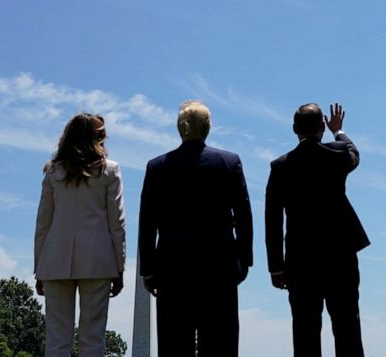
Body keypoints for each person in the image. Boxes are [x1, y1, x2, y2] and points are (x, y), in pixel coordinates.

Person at [139, 100, 253, 357]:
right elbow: (244, 216)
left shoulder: (157, 167)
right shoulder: (229, 162)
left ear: (180, 129)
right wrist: (243, 261)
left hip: (173, 268)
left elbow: (148, 222)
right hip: (219, 267)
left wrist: (148, 269)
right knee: (220, 344)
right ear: (208, 127)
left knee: (174, 344)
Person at [265, 103, 369, 357]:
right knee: (347, 328)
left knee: (305, 332)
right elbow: (354, 153)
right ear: (322, 127)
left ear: (294, 129)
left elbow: (272, 220)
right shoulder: (338, 153)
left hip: (300, 260)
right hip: (340, 256)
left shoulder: (280, 167)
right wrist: (339, 131)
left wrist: (276, 267)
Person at [34, 113, 126, 357]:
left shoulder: (53, 172)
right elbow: (116, 223)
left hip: (54, 261)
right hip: (98, 262)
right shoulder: (110, 171)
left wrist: (39, 267)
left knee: (57, 341)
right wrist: (119, 266)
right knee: (93, 340)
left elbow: (43, 224)